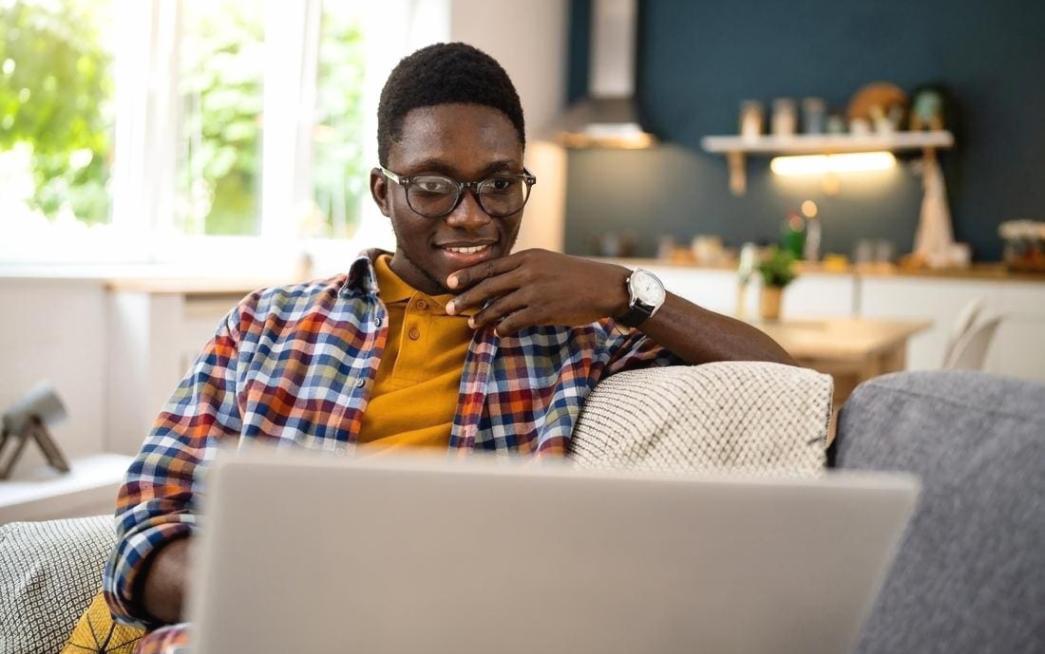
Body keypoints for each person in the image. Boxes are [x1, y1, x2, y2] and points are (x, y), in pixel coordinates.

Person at [102, 42, 794, 652]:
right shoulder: (268, 324)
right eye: (432, 186)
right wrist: (303, 599)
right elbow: (146, 525)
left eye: (498, 184)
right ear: (383, 190)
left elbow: (784, 392)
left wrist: (623, 290)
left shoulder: (576, 334)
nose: (470, 215)